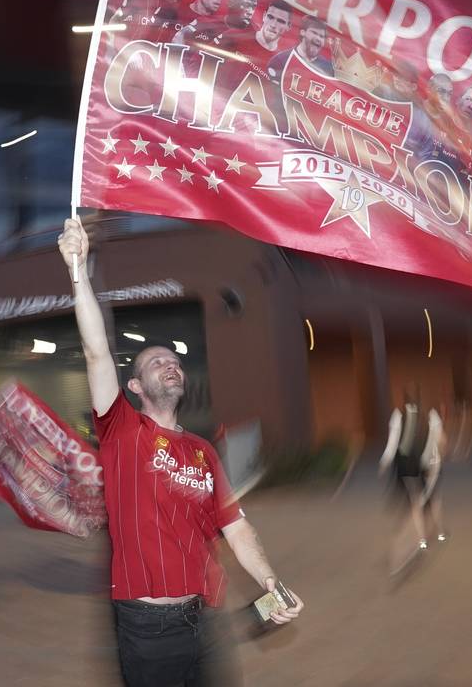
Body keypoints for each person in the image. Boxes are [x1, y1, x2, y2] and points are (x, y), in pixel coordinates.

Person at [57, 217, 303, 686]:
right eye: (155, 362)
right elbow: (95, 352)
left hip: (204, 619)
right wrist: (77, 270)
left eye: (174, 361)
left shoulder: (202, 452)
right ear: (134, 385)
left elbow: (236, 525)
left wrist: (271, 582)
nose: (169, 365)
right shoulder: (122, 431)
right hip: (147, 628)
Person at [379, 390, 447, 575]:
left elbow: (392, 443)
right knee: (430, 498)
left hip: (405, 466)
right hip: (427, 464)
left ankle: (422, 538)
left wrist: (384, 462)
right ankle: (434, 531)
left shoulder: (397, 415)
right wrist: (438, 457)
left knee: (415, 502)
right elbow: (441, 440)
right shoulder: (430, 415)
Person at [267, 15, 333, 83]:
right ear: (302, 32)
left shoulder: (328, 68)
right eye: (314, 33)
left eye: (322, 36)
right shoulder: (280, 61)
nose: (318, 38)